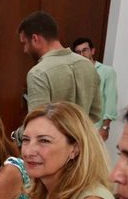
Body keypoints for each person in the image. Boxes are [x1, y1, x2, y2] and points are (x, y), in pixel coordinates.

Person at [14, 11, 102, 143]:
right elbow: (96, 113)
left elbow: (37, 124)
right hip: (83, 147)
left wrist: (16, 135)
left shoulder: (39, 73)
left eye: (24, 43)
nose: (25, 50)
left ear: (35, 39)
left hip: (53, 151)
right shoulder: (87, 65)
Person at [72, 37, 118, 141]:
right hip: (75, 126)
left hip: (96, 127)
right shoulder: (73, 72)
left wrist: (105, 128)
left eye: (85, 50)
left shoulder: (107, 71)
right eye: (78, 52)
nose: (82, 55)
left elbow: (111, 100)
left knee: (92, 157)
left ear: (92, 51)